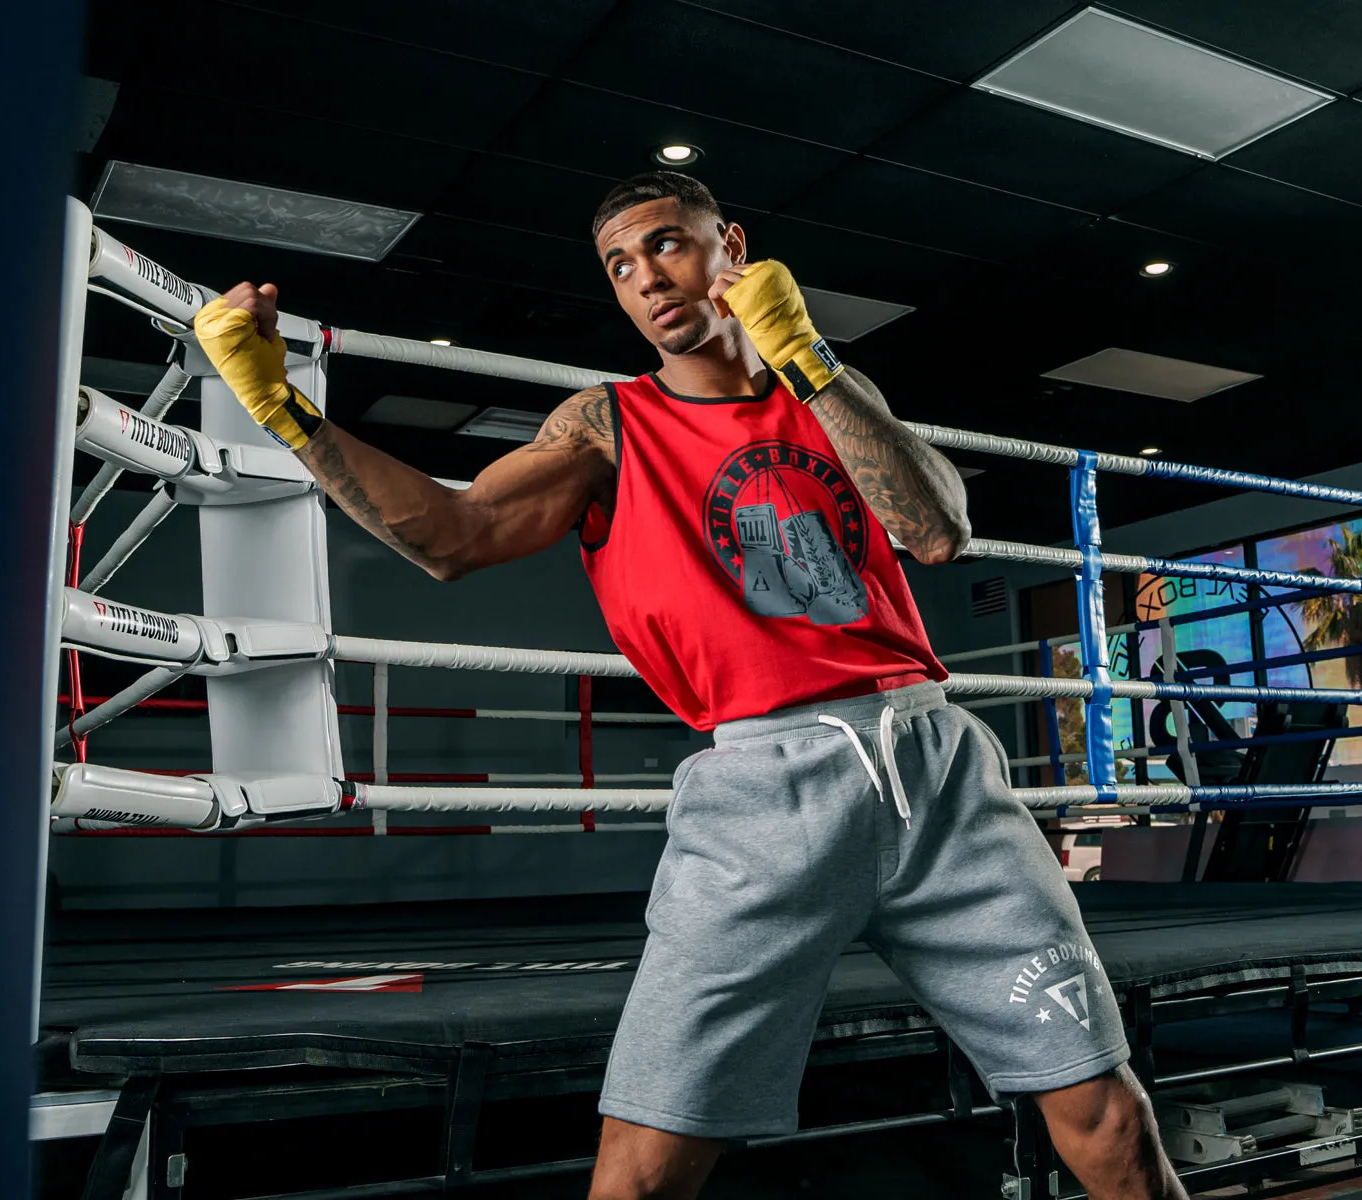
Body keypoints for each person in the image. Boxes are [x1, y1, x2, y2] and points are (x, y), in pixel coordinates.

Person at [192, 170, 1185, 1200]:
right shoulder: (606, 427)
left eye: (665, 245)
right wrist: (281, 409)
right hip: (765, 796)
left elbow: (938, 531)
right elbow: (455, 538)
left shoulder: (833, 397)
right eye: (620, 267)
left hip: (938, 776)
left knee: (1108, 1116)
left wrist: (810, 360)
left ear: (732, 249)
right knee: (644, 1170)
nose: (646, 280)